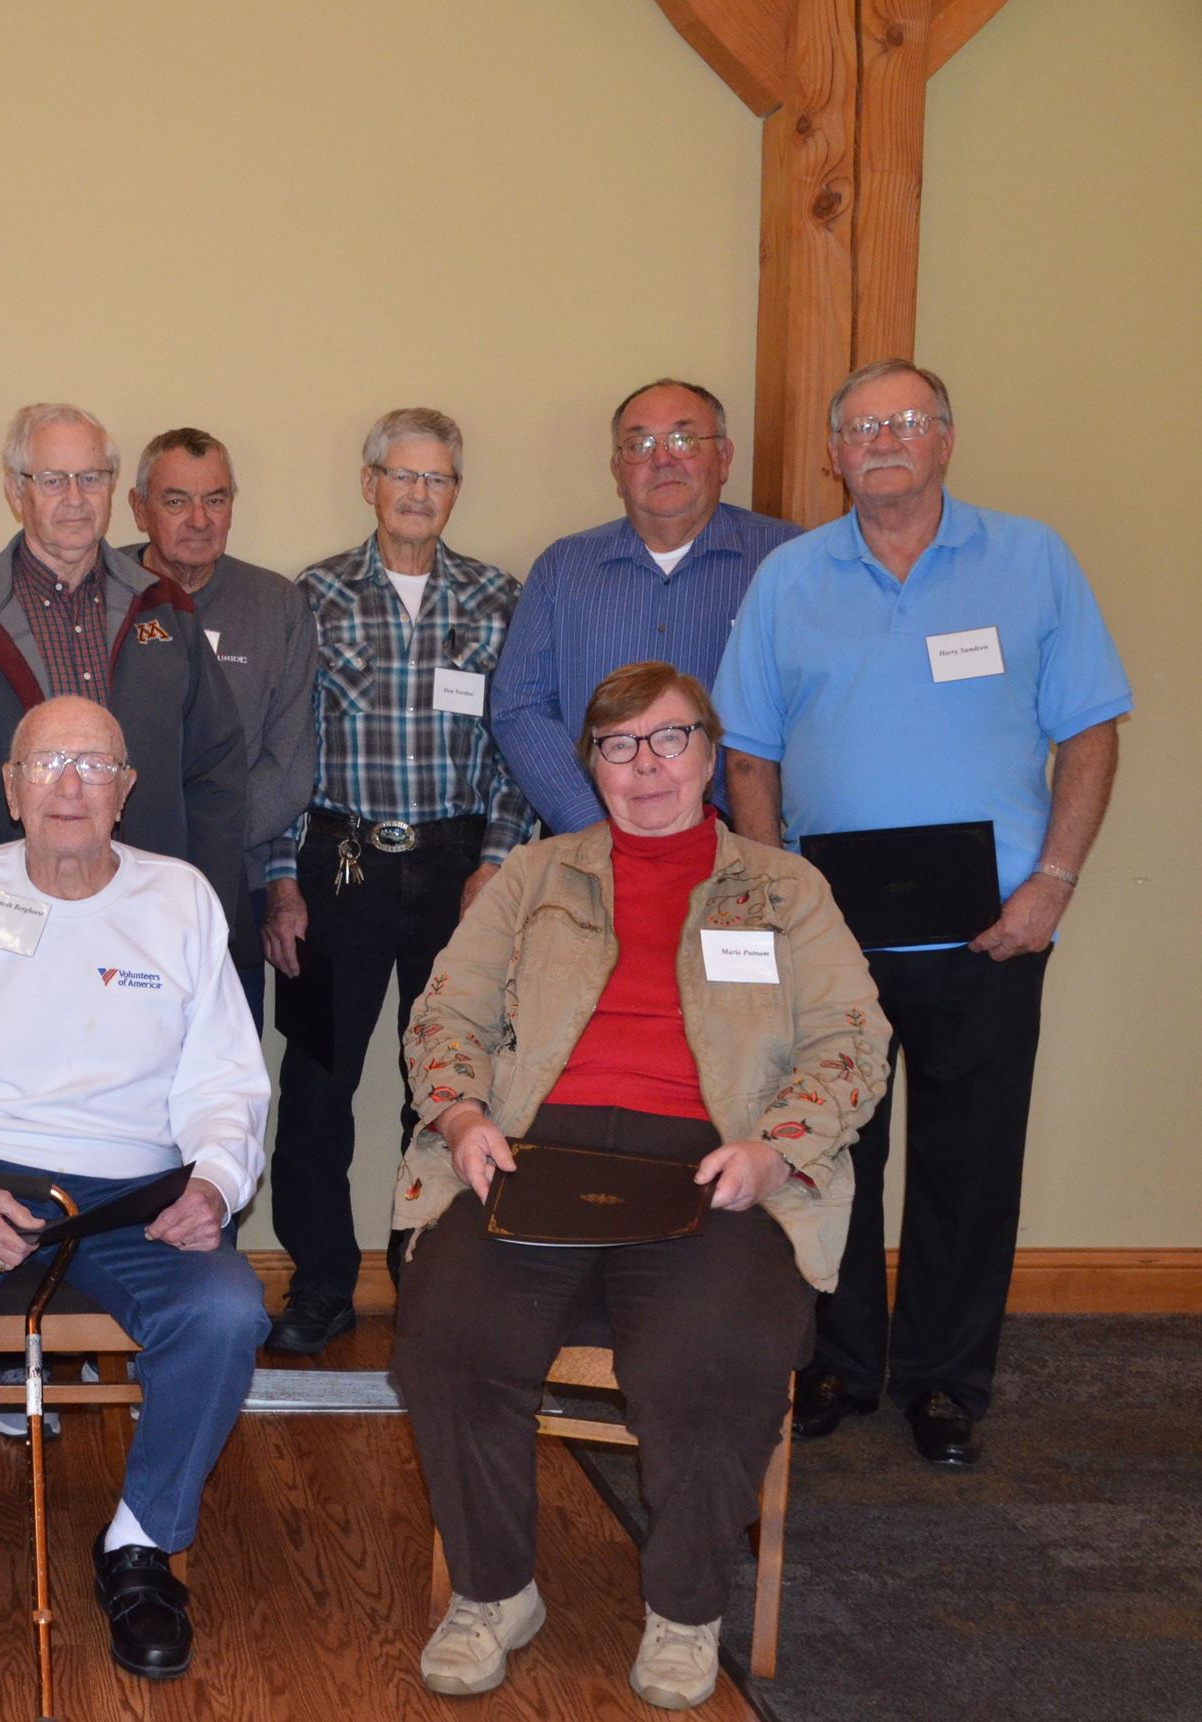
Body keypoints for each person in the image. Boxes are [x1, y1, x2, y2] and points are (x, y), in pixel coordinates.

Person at [392, 661, 887, 1710]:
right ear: (591, 766)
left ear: (709, 753)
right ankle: (492, 1593)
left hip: (717, 1167)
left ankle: (683, 1611)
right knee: (448, 1333)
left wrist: (776, 1148)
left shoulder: (783, 888)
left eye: (668, 741)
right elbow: (444, 1014)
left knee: (711, 1354)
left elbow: (853, 1037)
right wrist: (461, 1115)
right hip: (535, 1154)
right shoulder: (532, 876)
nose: (645, 766)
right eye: (618, 746)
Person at [715, 358, 1132, 1467]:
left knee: (971, 1161)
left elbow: (1088, 732)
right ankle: (840, 1361)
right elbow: (747, 754)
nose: (881, 442)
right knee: (825, 1152)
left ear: (945, 438)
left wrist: (1051, 883)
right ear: (831, 453)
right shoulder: (788, 580)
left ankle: (945, 1379)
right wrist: (771, 903)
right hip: (829, 937)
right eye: (858, 428)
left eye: (904, 423)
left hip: (989, 929)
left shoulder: (1029, 560)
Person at [0, 696, 270, 1683]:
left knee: (225, 1310)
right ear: (9, 790)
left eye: (92, 766)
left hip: (133, 1191)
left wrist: (212, 1181)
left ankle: (137, 1545)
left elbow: (224, 1082)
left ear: (125, 791)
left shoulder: (179, 899)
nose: (69, 786)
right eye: (45, 766)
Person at [262, 408, 530, 1356]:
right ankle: (323, 1283)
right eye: (403, 476)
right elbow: (287, 749)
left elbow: (517, 746)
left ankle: (430, 1279)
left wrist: (497, 860)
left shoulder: (500, 598)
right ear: (369, 482)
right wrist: (279, 882)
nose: (420, 495)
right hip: (337, 872)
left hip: (461, 875)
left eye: (439, 480)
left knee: (449, 1085)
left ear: (457, 491)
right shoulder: (316, 595)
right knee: (319, 1087)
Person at [0, 403, 249, 964]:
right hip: (15, 937)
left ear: (112, 489)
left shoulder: (167, 610)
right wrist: (8, 932)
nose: (75, 499)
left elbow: (217, 774)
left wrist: (196, 914)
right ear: (16, 491)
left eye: (91, 479)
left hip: (151, 926)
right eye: (53, 480)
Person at [491, 377, 799, 834]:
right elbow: (519, 705)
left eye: (683, 439)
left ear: (724, 457)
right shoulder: (563, 567)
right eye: (639, 444)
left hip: (742, 844)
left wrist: (729, 818)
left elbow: (816, 706)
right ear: (617, 469)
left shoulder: (787, 561)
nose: (662, 458)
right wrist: (589, 823)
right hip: (594, 850)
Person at [121, 427, 314, 1023]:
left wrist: (200, 849)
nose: (199, 519)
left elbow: (288, 768)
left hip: (232, 888)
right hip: (112, 887)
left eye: (217, 499)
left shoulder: (276, 605)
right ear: (139, 508)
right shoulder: (100, 596)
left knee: (222, 1086)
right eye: (177, 500)